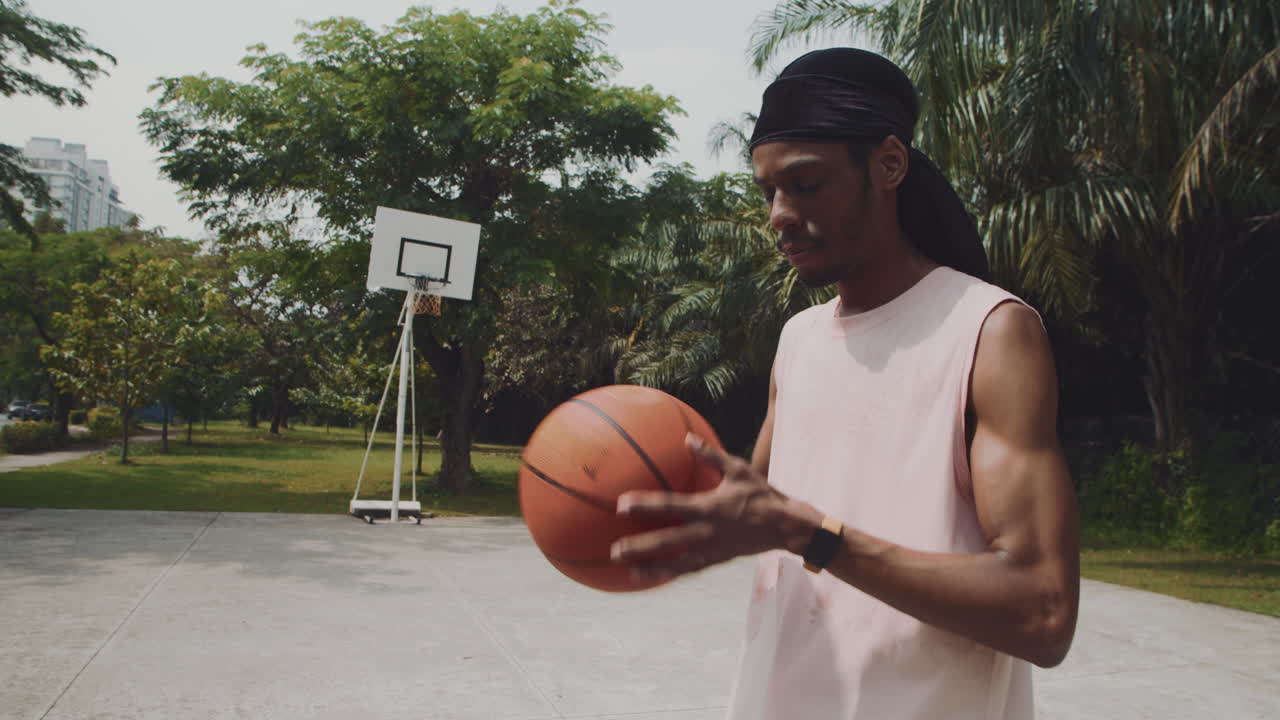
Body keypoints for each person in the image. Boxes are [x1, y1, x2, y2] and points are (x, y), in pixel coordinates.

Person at [610, 48, 1079, 719]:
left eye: (805, 184)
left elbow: (1043, 611)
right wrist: (641, 501)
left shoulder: (990, 332)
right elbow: (759, 514)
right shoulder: (799, 340)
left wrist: (813, 535)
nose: (776, 213)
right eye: (768, 191)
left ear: (888, 166)